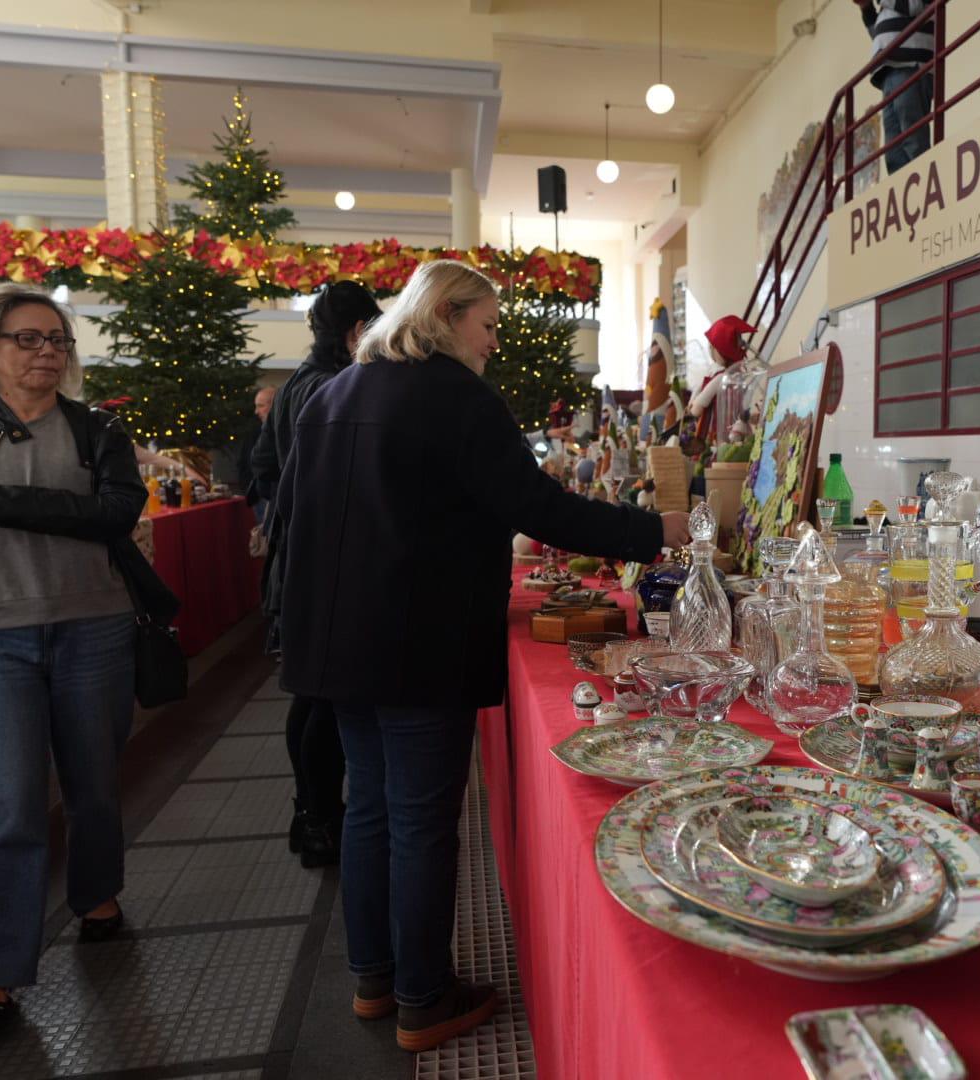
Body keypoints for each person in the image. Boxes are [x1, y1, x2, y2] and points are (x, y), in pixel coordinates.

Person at [275, 260, 689, 1051]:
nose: (494, 343)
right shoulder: (454, 397)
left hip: (336, 639)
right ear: (446, 313)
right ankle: (424, 999)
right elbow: (537, 507)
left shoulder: (333, 395)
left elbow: (294, 514)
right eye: (489, 324)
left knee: (367, 806)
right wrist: (652, 532)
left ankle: (375, 980)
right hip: (416, 636)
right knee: (422, 819)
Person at [0, 283, 172, 1038]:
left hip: (94, 628)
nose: (47, 351)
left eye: (57, 340)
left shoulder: (98, 429)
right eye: (28, 338)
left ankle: (97, 894)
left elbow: (115, 513)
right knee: (10, 805)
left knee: (93, 783)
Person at [252, 280, 383, 867]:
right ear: (358, 332)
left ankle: (311, 816)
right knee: (323, 706)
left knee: (310, 699)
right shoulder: (338, 388)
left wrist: (277, 521)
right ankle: (320, 821)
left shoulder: (291, 388)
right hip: (323, 562)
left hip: (297, 558)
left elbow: (260, 469)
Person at [856, 0, 935, 173]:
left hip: (911, 65)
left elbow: (913, 6)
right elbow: (880, 35)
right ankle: (905, 193)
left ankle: (924, 185)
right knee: (894, 151)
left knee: (913, 139)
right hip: (890, 70)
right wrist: (867, 8)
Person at [239, 385, 275, 521]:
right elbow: (243, 463)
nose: (256, 411)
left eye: (260, 406)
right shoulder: (254, 433)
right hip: (259, 497)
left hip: (274, 496)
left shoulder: (286, 432)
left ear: (273, 404)